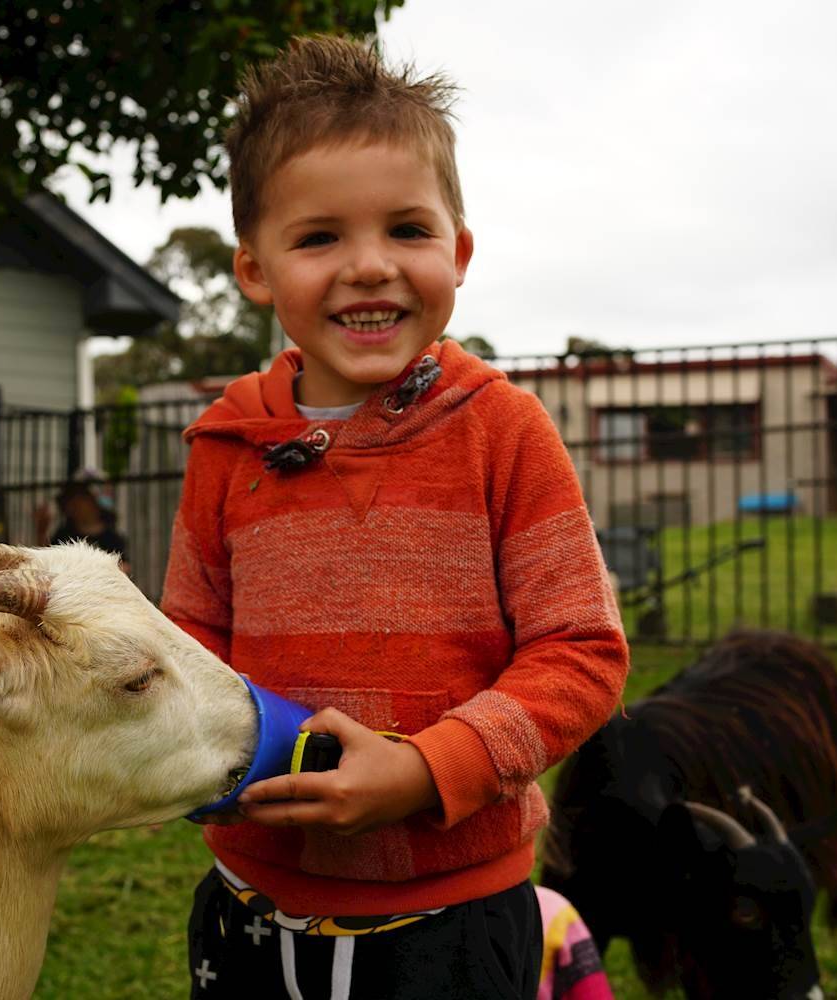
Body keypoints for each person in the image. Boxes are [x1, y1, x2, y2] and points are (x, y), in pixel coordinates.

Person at [161, 37, 629, 999]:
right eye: (320, 236)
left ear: (457, 250)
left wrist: (426, 770)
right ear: (255, 269)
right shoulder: (226, 443)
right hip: (249, 900)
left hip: (450, 918)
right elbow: (190, 650)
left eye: (408, 230)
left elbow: (581, 652)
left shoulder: (504, 430)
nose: (369, 267)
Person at [33, 471, 131, 574]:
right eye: (71, 497)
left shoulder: (112, 538)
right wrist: (42, 531)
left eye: (81, 497)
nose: (74, 502)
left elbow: (124, 567)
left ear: (96, 502)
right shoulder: (64, 534)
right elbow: (49, 562)